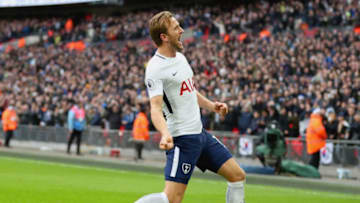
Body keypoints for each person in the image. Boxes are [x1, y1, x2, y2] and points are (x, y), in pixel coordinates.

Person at [135, 11, 245, 203]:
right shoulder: (155, 68)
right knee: (171, 199)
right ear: (164, 37)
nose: (182, 30)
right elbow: (155, 107)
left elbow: (189, 91)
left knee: (237, 176)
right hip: (182, 139)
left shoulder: (180, 58)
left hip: (200, 135)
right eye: (176, 27)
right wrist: (165, 133)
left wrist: (212, 106)